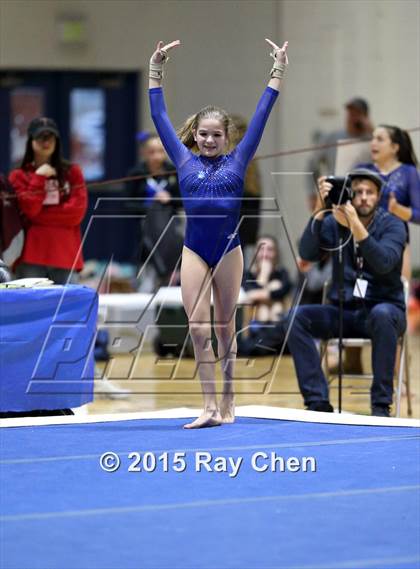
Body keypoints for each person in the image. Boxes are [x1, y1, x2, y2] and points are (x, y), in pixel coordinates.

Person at [149, 38, 288, 428]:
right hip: (194, 250)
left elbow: (262, 113)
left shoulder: (239, 161)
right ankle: (208, 406)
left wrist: (278, 70)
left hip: (229, 250)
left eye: (216, 135)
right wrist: (155, 70)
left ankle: (229, 400)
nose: (209, 140)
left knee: (226, 328)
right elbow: (159, 116)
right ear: (195, 135)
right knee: (197, 327)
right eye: (203, 134)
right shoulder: (182, 160)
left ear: (228, 138)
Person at [287, 168, 407, 417]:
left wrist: (356, 227)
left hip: (384, 310)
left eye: (370, 193)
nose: (363, 197)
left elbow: (384, 262)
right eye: (358, 192)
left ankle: (380, 406)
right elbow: (307, 254)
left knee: (383, 315)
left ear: (378, 196)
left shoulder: (393, 225)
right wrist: (320, 211)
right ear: (350, 194)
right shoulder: (334, 223)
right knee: (296, 317)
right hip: (345, 311)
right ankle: (317, 401)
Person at [9, 117, 87, 283]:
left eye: (50, 136)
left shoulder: (73, 172)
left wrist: (38, 218)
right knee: (31, 308)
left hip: (65, 254)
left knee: (67, 308)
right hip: (31, 254)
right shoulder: (18, 176)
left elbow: (76, 214)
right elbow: (30, 209)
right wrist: (39, 177)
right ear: (30, 140)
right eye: (40, 136)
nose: (46, 141)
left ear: (57, 140)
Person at [357, 125, 419, 277]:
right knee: (361, 292)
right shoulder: (361, 170)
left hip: (396, 241)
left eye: (379, 139)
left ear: (394, 147)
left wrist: (398, 210)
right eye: (372, 138)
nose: (373, 143)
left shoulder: (408, 172)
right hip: (365, 239)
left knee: (399, 291)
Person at [125, 134, 182, 287]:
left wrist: (170, 199)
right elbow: (127, 203)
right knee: (147, 277)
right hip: (145, 231)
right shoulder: (136, 174)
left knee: (171, 272)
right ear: (144, 152)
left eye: (160, 151)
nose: (157, 156)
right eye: (152, 152)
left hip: (170, 230)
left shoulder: (173, 172)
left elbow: (184, 201)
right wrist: (147, 204)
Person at [243, 235, 292, 324]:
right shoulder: (248, 275)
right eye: (261, 249)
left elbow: (284, 290)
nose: (265, 254)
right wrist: (264, 275)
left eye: (269, 249)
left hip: (277, 313)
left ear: (276, 253)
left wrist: (259, 294)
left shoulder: (282, 273)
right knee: (263, 310)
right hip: (254, 319)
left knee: (276, 304)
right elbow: (247, 293)